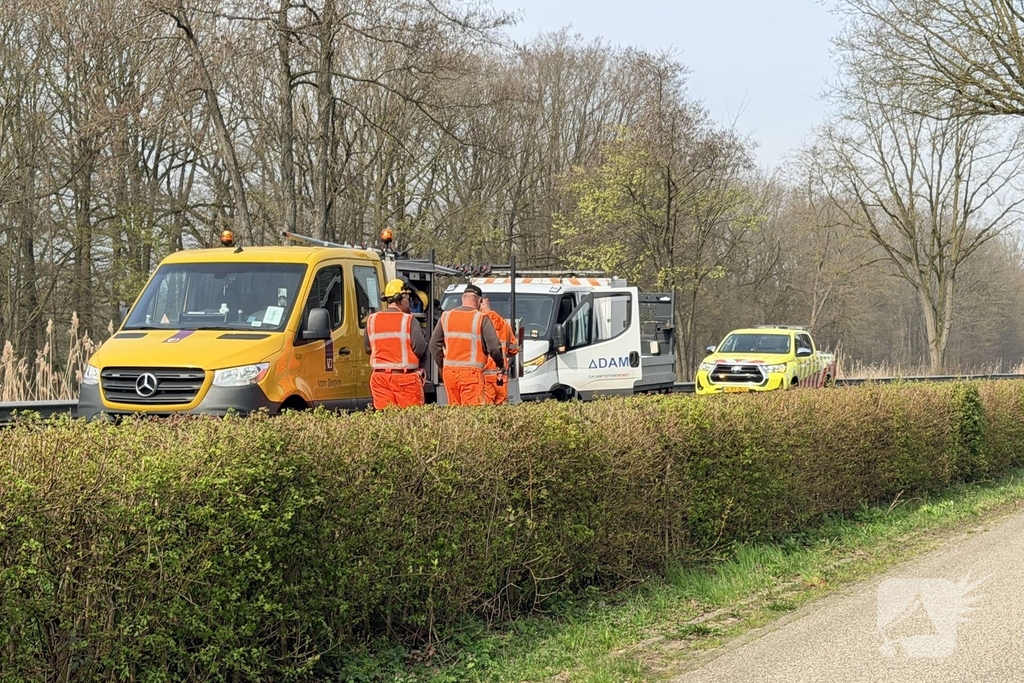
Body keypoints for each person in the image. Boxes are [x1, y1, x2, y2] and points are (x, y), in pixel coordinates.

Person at [428, 283, 503, 406]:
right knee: (471, 415)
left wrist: (443, 365)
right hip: (471, 376)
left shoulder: (446, 316)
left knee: (455, 414)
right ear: (479, 301)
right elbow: (494, 348)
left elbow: (433, 345)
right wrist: (500, 364)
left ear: (463, 299)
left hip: (450, 374)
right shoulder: (481, 318)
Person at [364, 279, 428, 409]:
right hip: (405, 379)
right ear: (401, 298)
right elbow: (420, 349)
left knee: (387, 421)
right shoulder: (409, 320)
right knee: (411, 421)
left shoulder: (372, 319)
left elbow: (367, 348)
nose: (409, 301)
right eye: (408, 297)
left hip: (379, 378)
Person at [480, 296, 519, 404]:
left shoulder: (480, 322)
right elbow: (514, 349)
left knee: (485, 411)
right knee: (501, 410)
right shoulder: (504, 324)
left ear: (481, 306)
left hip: (485, 374)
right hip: (501, 375)